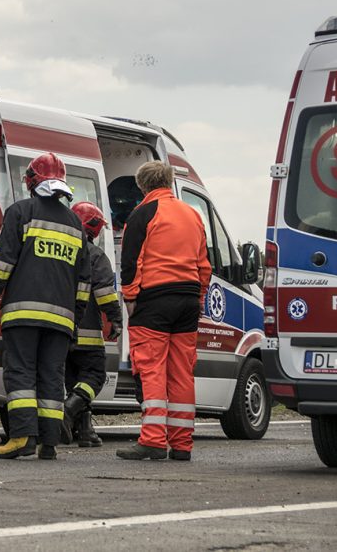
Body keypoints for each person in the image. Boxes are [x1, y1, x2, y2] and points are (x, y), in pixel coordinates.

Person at [0, 153, 90, 460]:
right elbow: (84, 282)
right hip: (62, 320)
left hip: (23, 314)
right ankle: (49, 442)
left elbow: (3, 263)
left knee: (21, 375)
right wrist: (75, 319)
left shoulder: (21, 212)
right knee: (52, 377)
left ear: (31, 181)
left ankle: (21, 437)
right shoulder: (75, 224)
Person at [117, 160, 211, 461]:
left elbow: (131, 262)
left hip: (154, 301)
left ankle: (153, 440)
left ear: (142, 185)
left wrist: (130, 299)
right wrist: (198, 297)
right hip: (187, 300)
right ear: (169, 181)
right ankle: (182, 444)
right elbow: (203, 265)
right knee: (182, 372)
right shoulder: (192, 215)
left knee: (152, 368)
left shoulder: (142, 214)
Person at [65, 201, 124, 448]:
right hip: (88, 335)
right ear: (94, 228)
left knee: (75, 382)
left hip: (62, 332)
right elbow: (105, 294)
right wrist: (116, 320)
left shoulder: (63, 251)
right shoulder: (96, 255)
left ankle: (86, 431)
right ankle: (68, 412)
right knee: (94, 377)